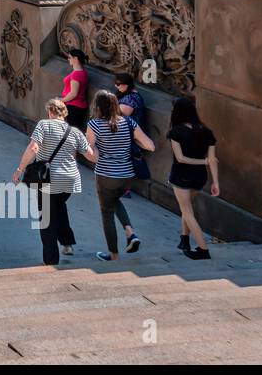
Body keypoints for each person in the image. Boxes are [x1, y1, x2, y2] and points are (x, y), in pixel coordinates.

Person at [11, 98, 93, 265]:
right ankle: (67, 242)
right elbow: (91, 155)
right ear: (64, 113)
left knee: (47, 219)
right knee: (59, 205)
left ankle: (50, 260)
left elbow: (33, 148)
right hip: (70, 181)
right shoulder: (75, 131)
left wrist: (20, 169)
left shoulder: (44, 125)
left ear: (50, 111)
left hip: (48, 180)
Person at [87, 90, 156, 261]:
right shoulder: (129, 122)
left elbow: (91, 153)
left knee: (106, 212)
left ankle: (113, 254)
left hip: (105, 175)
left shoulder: (94, 124)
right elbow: (150, 146)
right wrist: (132, 141)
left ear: (97, 106)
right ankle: (130, 233)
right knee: (114, 200)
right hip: (127, 176)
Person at [167, 97, 220, 259]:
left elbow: (181, 158)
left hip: (181, 176)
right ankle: (184, 239)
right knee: (188, 208)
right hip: (200, 177)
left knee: (187, 211)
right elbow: (213, 160)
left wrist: (203, 161)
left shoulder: (175, 132)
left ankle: (203, 249)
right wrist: (216, 182)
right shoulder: (207, 132)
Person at [62, 49, 89, 130]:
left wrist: (61, 100)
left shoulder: (76, 74)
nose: (68, 59)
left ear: (76, 59)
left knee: (72, 132)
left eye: (70, 57)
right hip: (78, 106)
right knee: (76, 131)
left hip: (73, 106)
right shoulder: (83, 72)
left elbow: (74, 93)